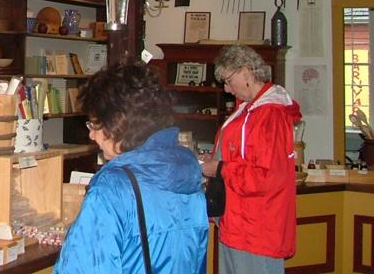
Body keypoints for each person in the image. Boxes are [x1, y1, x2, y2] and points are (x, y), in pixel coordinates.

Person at [54, 60, 208, 274]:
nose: (91, 134)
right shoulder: (188, 175)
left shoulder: (112, 187)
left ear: (118, 123)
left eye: (95, 124)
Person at [201, 44, 302, 274]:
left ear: (246, 72)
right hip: (238, 222)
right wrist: (216, 159)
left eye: (228, 81)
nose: (227, 89)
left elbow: (266, 177)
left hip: (256, 228)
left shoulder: (270, 114)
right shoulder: (248, 109)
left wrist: (219, 168)